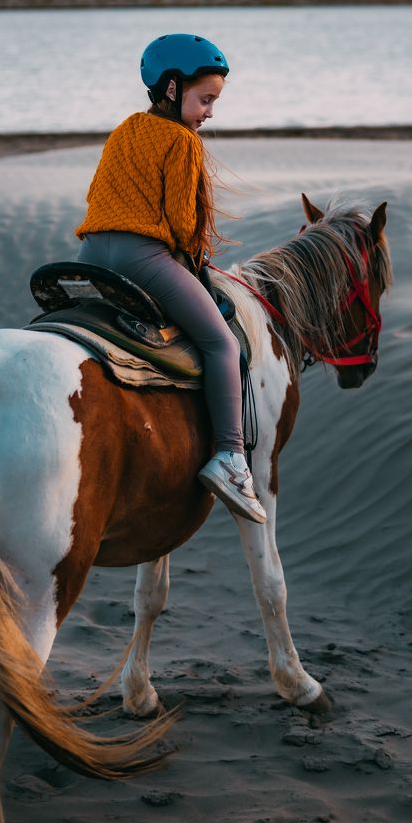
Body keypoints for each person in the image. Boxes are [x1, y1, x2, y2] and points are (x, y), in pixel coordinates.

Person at [74, 33, 266, 524]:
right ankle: (230, 457)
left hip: (93, 252)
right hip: (143, 258)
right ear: (174, 89)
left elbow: (99, 193)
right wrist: (196, 260)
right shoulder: (182, 141)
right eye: (206, 100)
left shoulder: (125, 129)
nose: (209, 113)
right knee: (222, 343)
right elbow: (183, 226)